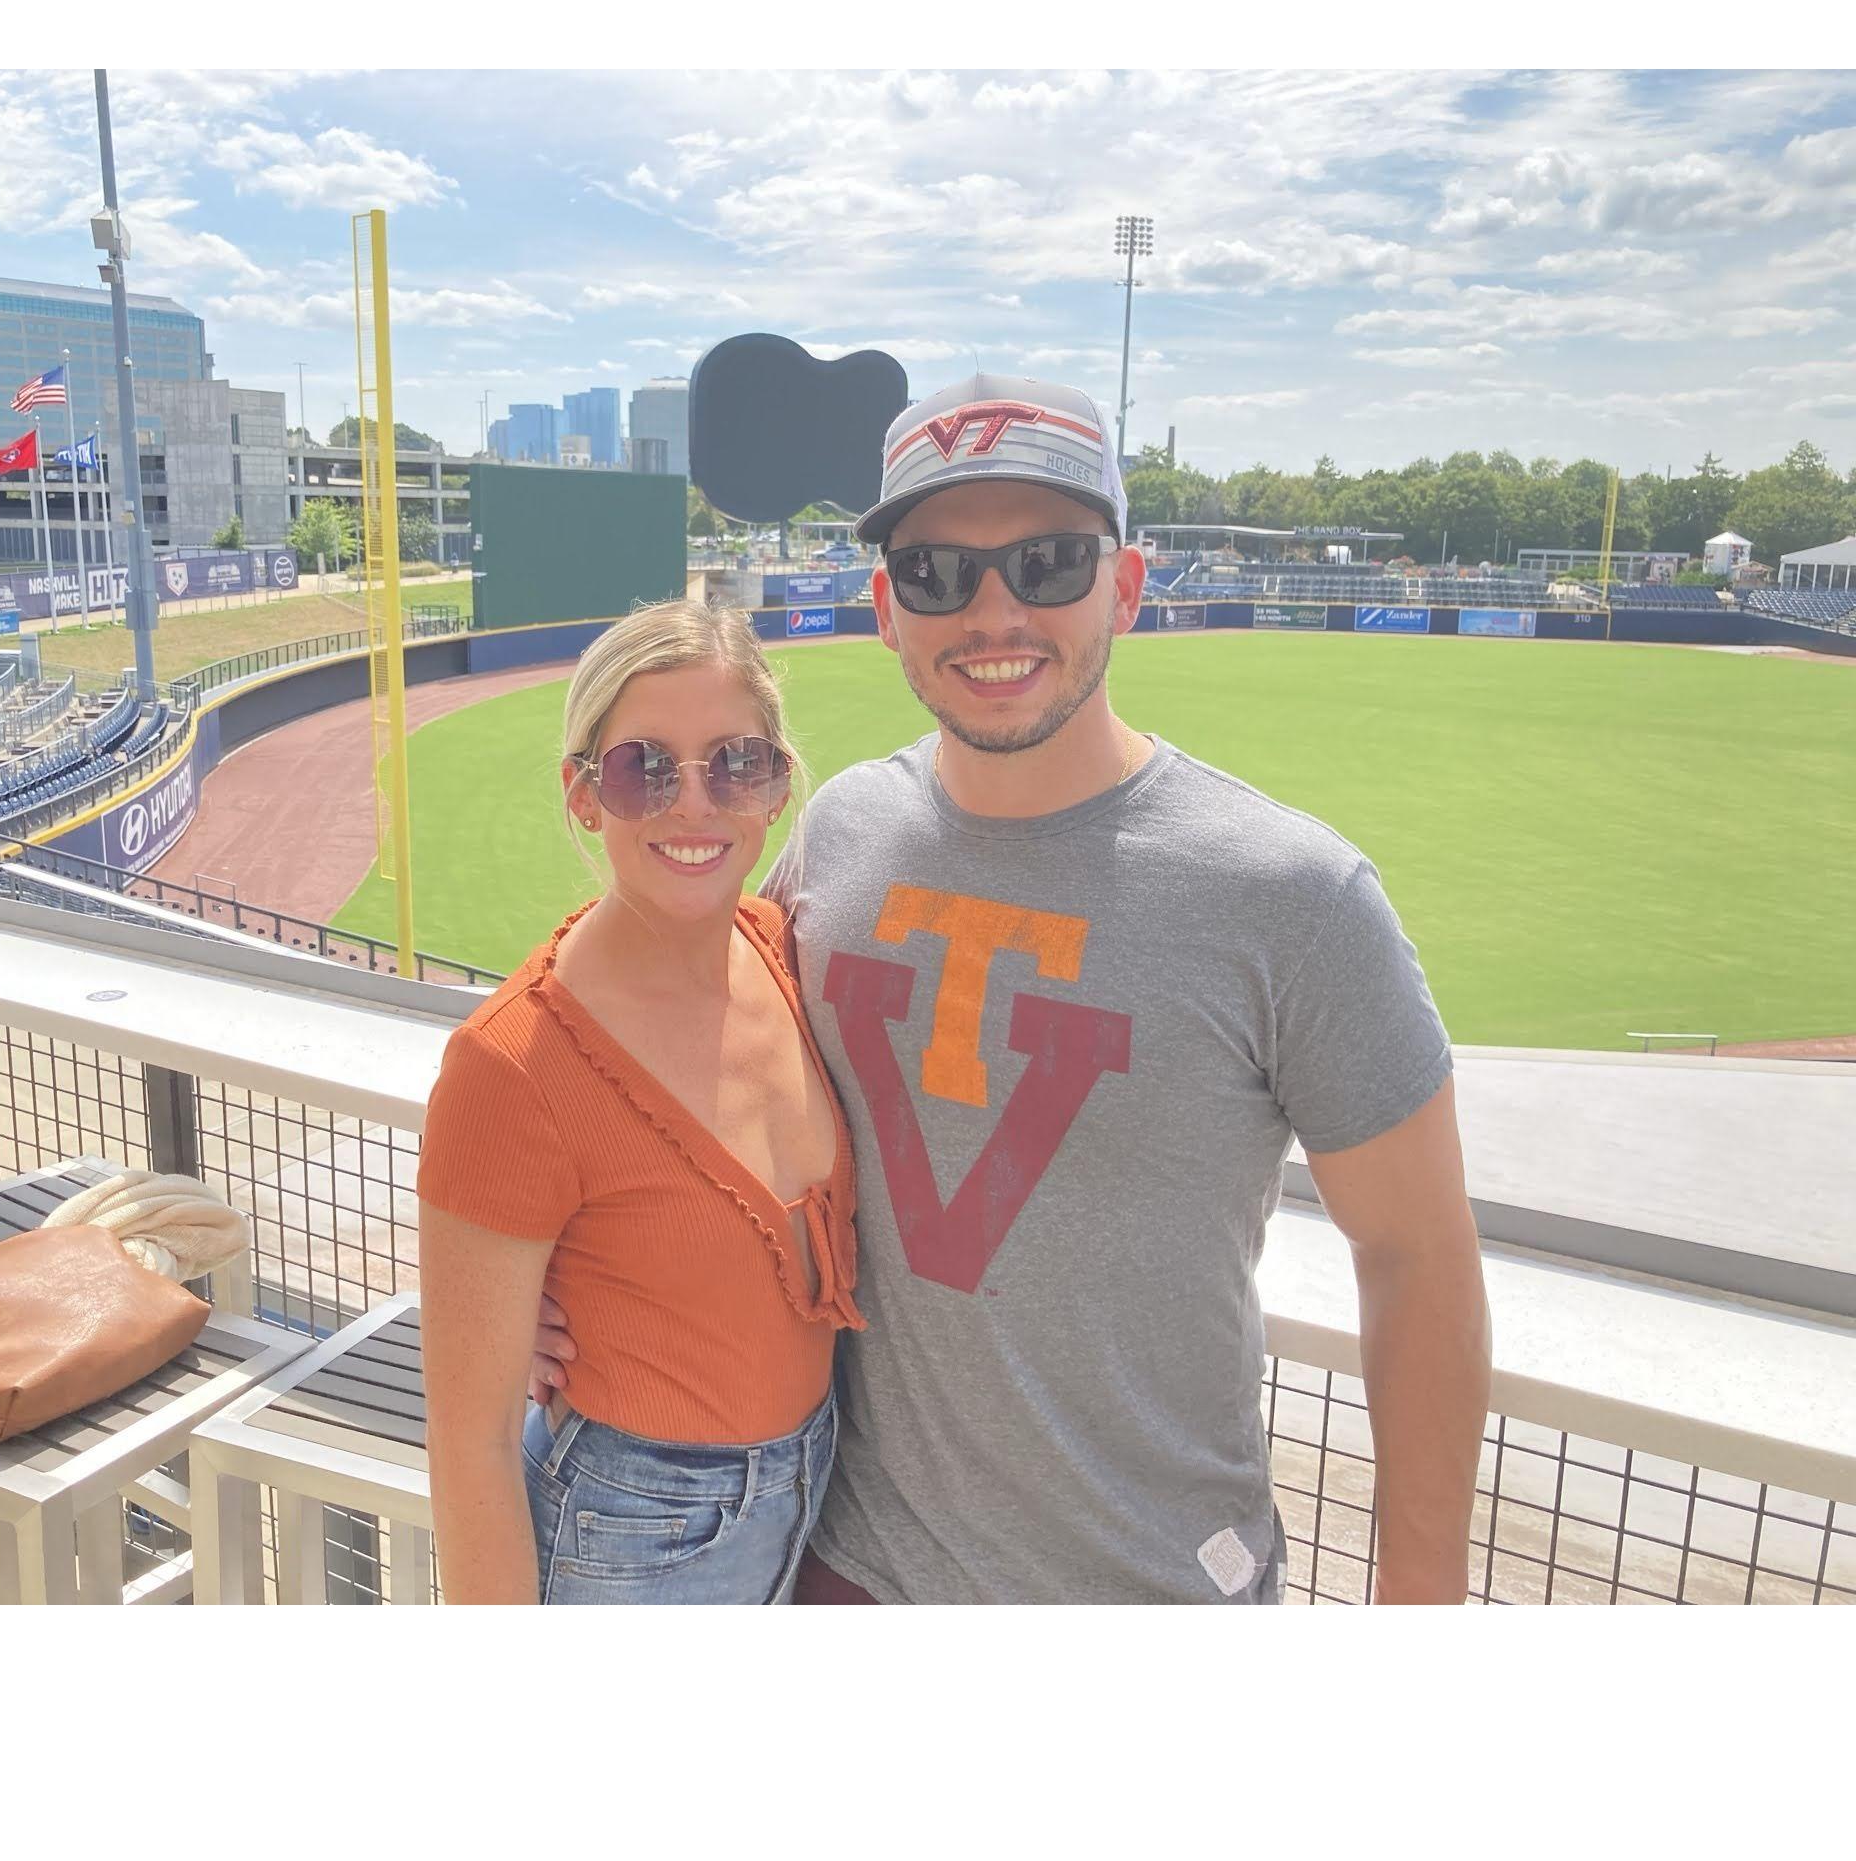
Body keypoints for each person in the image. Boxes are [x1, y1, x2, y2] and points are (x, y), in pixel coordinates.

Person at [533, 373, 1492, 1605]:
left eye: (1046, 562)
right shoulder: (842, 827)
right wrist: (559, 1266)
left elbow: (1416, 1256)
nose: (993, 613)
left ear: (1125, 586)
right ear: (886, 607)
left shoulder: (1295, 898)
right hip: (845, 1567)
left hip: (1149, 1590)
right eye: (937, 572)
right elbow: (687, 1042)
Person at [418, 599, 863, 1604]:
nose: (693, 804)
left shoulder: (785, 950)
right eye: (643, 767)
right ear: (582, 792)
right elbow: (468, 1443)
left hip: (816, 1492)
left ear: (777, 783)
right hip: (626, 1530)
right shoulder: (513, 1063)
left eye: (734, 762)